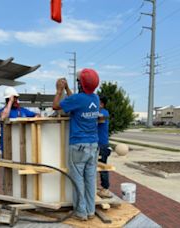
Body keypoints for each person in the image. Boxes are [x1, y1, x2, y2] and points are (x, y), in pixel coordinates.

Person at [52, 69, 100, 221]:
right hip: (93, 145)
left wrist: (59, 90)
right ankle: (91, 211)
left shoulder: (79, 99)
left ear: (81, 84)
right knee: (90, 181)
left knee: (78, 180)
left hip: (78, 145)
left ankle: (81, 212)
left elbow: (55, 106)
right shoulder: (95, 98)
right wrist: (67, 89)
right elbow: (75, 100)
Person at [0, 87, 38, 152]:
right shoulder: (2, 111)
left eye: (16, 98)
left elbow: (36, 115)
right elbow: (3, 117)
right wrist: (11, 101)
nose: (16, 100)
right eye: (14, 98)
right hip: (8, 147)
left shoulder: (22, 110)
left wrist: (35, 118)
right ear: (8, 100)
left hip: (22, 145)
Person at [97, 95, 112, 198]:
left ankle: (105, 189)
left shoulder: (104, 112)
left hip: (102, 145)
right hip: (98, 144)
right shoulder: (100, 112)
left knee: (102, 167)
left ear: (102, 104)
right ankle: (103, 187)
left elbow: (98, 116)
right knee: (98, 167)